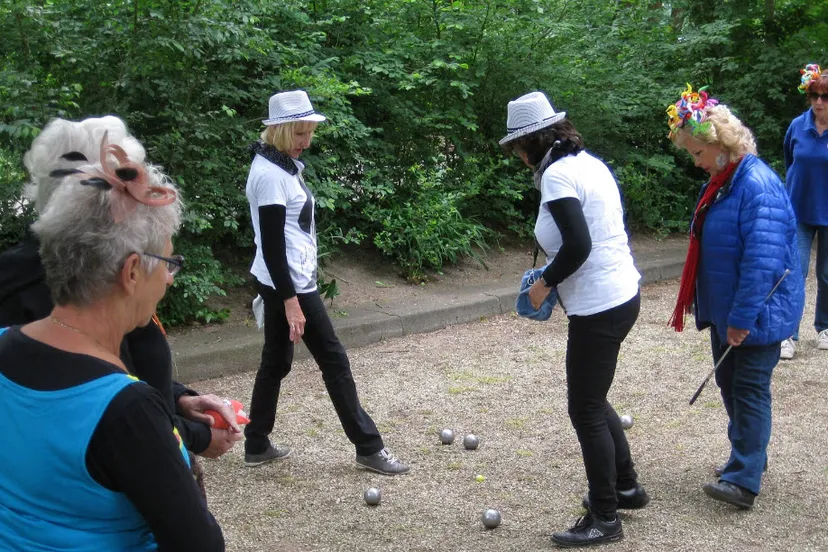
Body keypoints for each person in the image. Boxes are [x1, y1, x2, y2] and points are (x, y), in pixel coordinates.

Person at [0, 124, 224, 549]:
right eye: (168, 263)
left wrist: (177, 398)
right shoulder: (126, 409)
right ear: (132, 271)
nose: (170, 278)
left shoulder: (5, 343)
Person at [500, 91, 647, 548]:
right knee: (592, 398)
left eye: (517, 148)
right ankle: (626, 487)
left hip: (600, 306)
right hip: (621, 294)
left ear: (530, 143)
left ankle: (605, 517)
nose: (518, 157)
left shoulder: (558, 175)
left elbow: (579, 245)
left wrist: (544, 283)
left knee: (584, 408)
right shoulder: (588, 164)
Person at [243, 90, 409, 475]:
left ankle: (256, 442)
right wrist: (290, 301)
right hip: (289, 283)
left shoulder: (279, 166)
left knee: (275, 361)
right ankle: (369, 446)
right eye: (299, 133)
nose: (306, 141)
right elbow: (272, 246)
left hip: (285, 279)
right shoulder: (270, 175)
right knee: (333, 360)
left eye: (309, 133)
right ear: (280, 131)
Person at [666, 85, 804, 509]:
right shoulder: (726, 181)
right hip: (728, 308)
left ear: (721, 144)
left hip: (757, 312)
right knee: (730, 384)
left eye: (697, 152)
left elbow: (763, 263)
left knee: (747, 389)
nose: (696, 161)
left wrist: (742, 318)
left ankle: (743, 480)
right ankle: (749, 456)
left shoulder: (756, 185)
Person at [780, 63, 828, 359]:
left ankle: (825, 327)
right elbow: (790, 160)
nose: (819, 102)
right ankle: (788, 334)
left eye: (825, 97)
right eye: (814, 96)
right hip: (798, 211)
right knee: (794, 272)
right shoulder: (798, 126)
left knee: (827, 274)